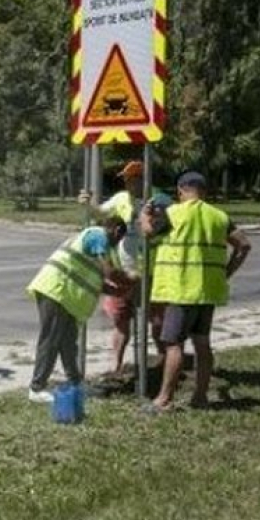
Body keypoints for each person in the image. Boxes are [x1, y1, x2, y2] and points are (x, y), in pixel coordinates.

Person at [140, 171, 251, 412]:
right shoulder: (219, 216)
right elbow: (244, 245)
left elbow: (148, 232)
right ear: (205, 191)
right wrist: (226, 272)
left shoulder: (174, 213)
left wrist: (144, 216)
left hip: (181, 291)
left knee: (173, 344)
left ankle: (164, 400)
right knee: (202, 344)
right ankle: (200, 397)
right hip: (207, 292)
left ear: (180, 190)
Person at [27, 216, 128, 403]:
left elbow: (97, 279)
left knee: (68, 343)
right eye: (119, 239)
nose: (117, 244)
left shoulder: (98, 246)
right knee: (51, 339)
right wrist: (130, 281)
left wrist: (116, 290)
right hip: (56, 289)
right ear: (116, 230)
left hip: (66, 297)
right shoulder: (98, 236)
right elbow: (109, 272)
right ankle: (37, 387)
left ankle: (75, 383)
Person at [79, 160, 165, 374]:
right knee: (121, 321)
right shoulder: (121, 198)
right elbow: (99, 214)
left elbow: (169, 227)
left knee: (158, 321)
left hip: (152, 272)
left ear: (143, 179)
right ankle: (117, 366)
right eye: (126, 179)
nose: (128, 183)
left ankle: (164, 363)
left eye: (132, 178)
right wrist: (88, 205)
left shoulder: (160, 198)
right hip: (124, 271)